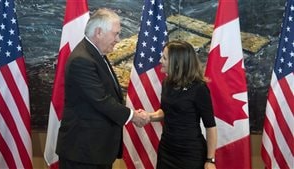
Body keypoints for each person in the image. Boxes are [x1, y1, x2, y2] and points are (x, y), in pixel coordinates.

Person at [56, 8, 149, 169]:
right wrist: (133, 116)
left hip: (95, 151)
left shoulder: (95, 54)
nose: (118, 39)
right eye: (116, 34)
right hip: (83, 153)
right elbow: (101, 100)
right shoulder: (82, 60)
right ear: (99, 32)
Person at [147, 40, 217, 169]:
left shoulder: (199, 88)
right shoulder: (167, 83)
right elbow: (165, 111)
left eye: (164, 58)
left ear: (177, 63)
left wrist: (210, 159)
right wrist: (149, 116)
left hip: (190, 154)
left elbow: (210, 125)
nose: (160, 61)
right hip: (166, 151)